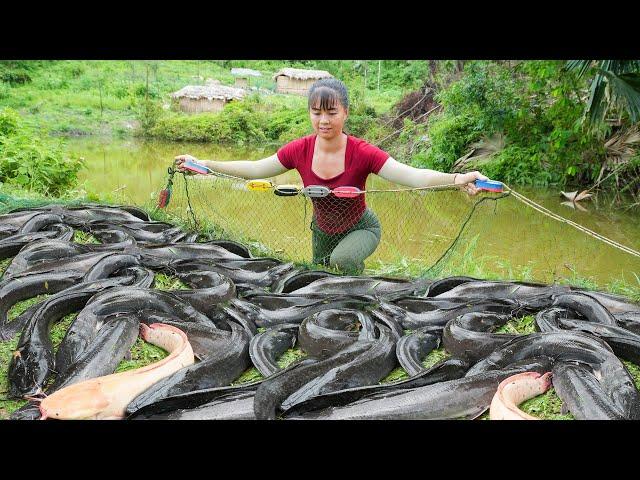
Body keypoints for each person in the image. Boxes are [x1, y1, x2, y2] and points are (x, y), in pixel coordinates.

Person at [175, 78, 487, 274]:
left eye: (331, 112)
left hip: (360, 228)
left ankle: (360, 305)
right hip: (321, 233)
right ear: (310, 113)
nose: (324, 120)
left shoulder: (363, 152)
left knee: (343, 264)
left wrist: (457, 179)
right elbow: (256, 168)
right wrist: (203, 162)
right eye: (316, 113)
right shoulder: (300, 150)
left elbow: (413, 177)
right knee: (320, 279)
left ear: (346, 113)